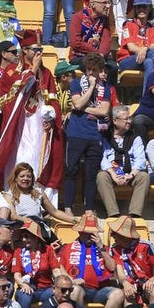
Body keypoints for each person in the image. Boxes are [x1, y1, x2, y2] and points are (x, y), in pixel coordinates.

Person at [63, 52, 115, 211]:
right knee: (71, 170)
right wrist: (91, 87)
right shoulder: (76, 84)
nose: (91, 73)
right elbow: (77, 104)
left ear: (100, 70)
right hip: (76, 133)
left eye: (94, 70)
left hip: (95, 134)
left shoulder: (105, 88)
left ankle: (89, 209)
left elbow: (104, 111)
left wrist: (83, 107)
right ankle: (67, 207)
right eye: (88, 69)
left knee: (91, 174)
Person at [97, 105, 150, 218]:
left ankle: (134, 214)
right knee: (101, 176)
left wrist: (131, 174)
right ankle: (113, 214)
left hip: (129, 171)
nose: (129, 121)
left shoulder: (135, 137)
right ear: (115, 121)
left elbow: (140, 159)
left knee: (144, 177)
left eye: (129, 118)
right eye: (126, 119)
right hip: (111, 171)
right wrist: (113, 174)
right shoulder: (105, 136)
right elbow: (102, 157)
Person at [116, 0, 154, 79]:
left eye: (144, 7)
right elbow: (131, 47)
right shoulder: (127, 25)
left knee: (149, 62)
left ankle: (149, 91)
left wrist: (145, 49)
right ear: (135, 9)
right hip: (127, 60)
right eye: (138, 7)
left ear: (150, 9)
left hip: (145, 59)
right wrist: (146, 50)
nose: (141, 10)